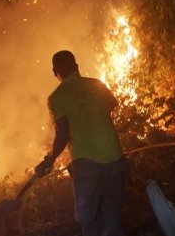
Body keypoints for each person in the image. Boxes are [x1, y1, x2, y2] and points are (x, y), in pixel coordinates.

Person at [35, 50, 127, 236]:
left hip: (86, 162)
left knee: (86, 217)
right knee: (112, 212)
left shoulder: (56, 98)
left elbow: (62, 135)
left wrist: (49, 160)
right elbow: (112, 104)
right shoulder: (96, 84)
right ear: (76, 66)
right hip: (114, 157)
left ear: (55, 72)